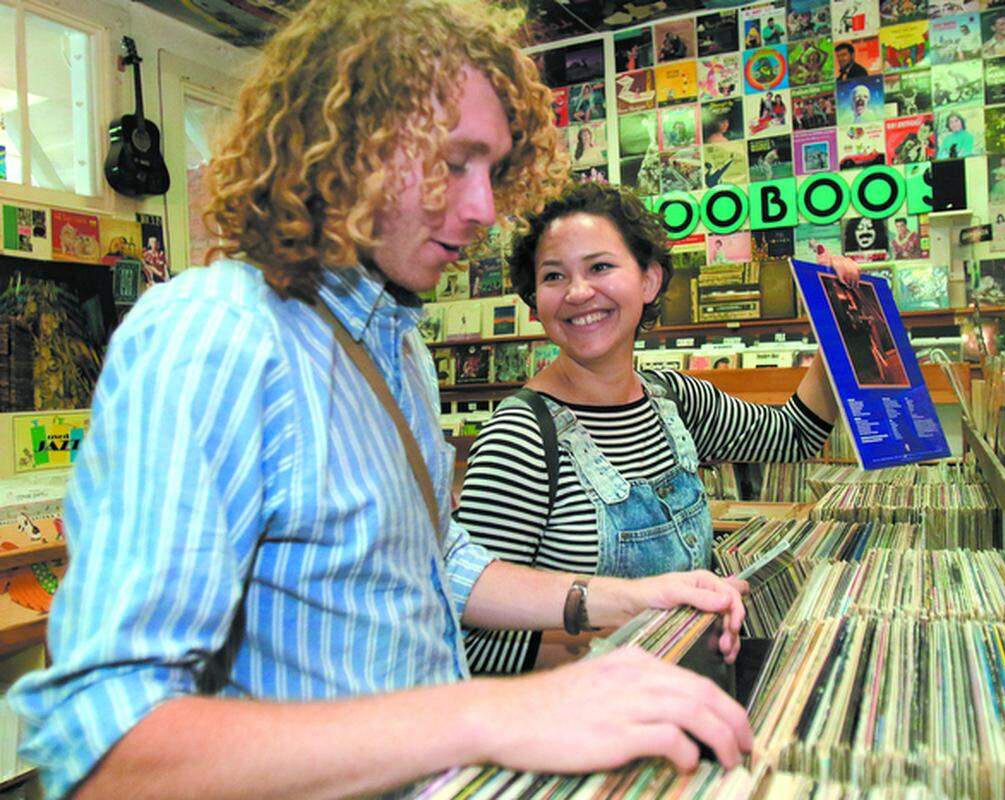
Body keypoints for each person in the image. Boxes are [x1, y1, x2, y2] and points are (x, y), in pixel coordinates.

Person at [9, 3, 754, 798]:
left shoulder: (395, 343)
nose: (484, 209)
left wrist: (625, 597)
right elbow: (108, 750)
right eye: (453, 164)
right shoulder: (217, 337)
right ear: (346, 146)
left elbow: (433, 560)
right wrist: (493, 712)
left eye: (492, 172)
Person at [456, 182, 859, 674]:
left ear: (649, 280)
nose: (578, 292)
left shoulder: (674, 399)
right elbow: (471, 643)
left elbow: (796, 434)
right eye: (554, 276)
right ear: (536, 303)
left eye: (600, 267)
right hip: (593, 712)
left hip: (692, 692)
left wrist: (837, 322)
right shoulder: (519, 437)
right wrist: (664, 631)